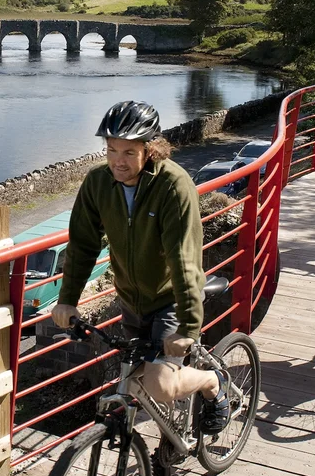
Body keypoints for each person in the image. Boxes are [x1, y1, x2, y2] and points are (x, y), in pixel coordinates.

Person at [52, 100, 231, 434]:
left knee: (161, 386)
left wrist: (189, 329)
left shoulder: (172, 186)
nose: (118, 162)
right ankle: (162, 445)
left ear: (151, 149)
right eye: (111, 150)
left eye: (129, 153)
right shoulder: (98, 183)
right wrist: (67, 299)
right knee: (131, 378)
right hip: (132, 301)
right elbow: (83, 245)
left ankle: (210, 380)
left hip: (170, 298)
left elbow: (184, 259)